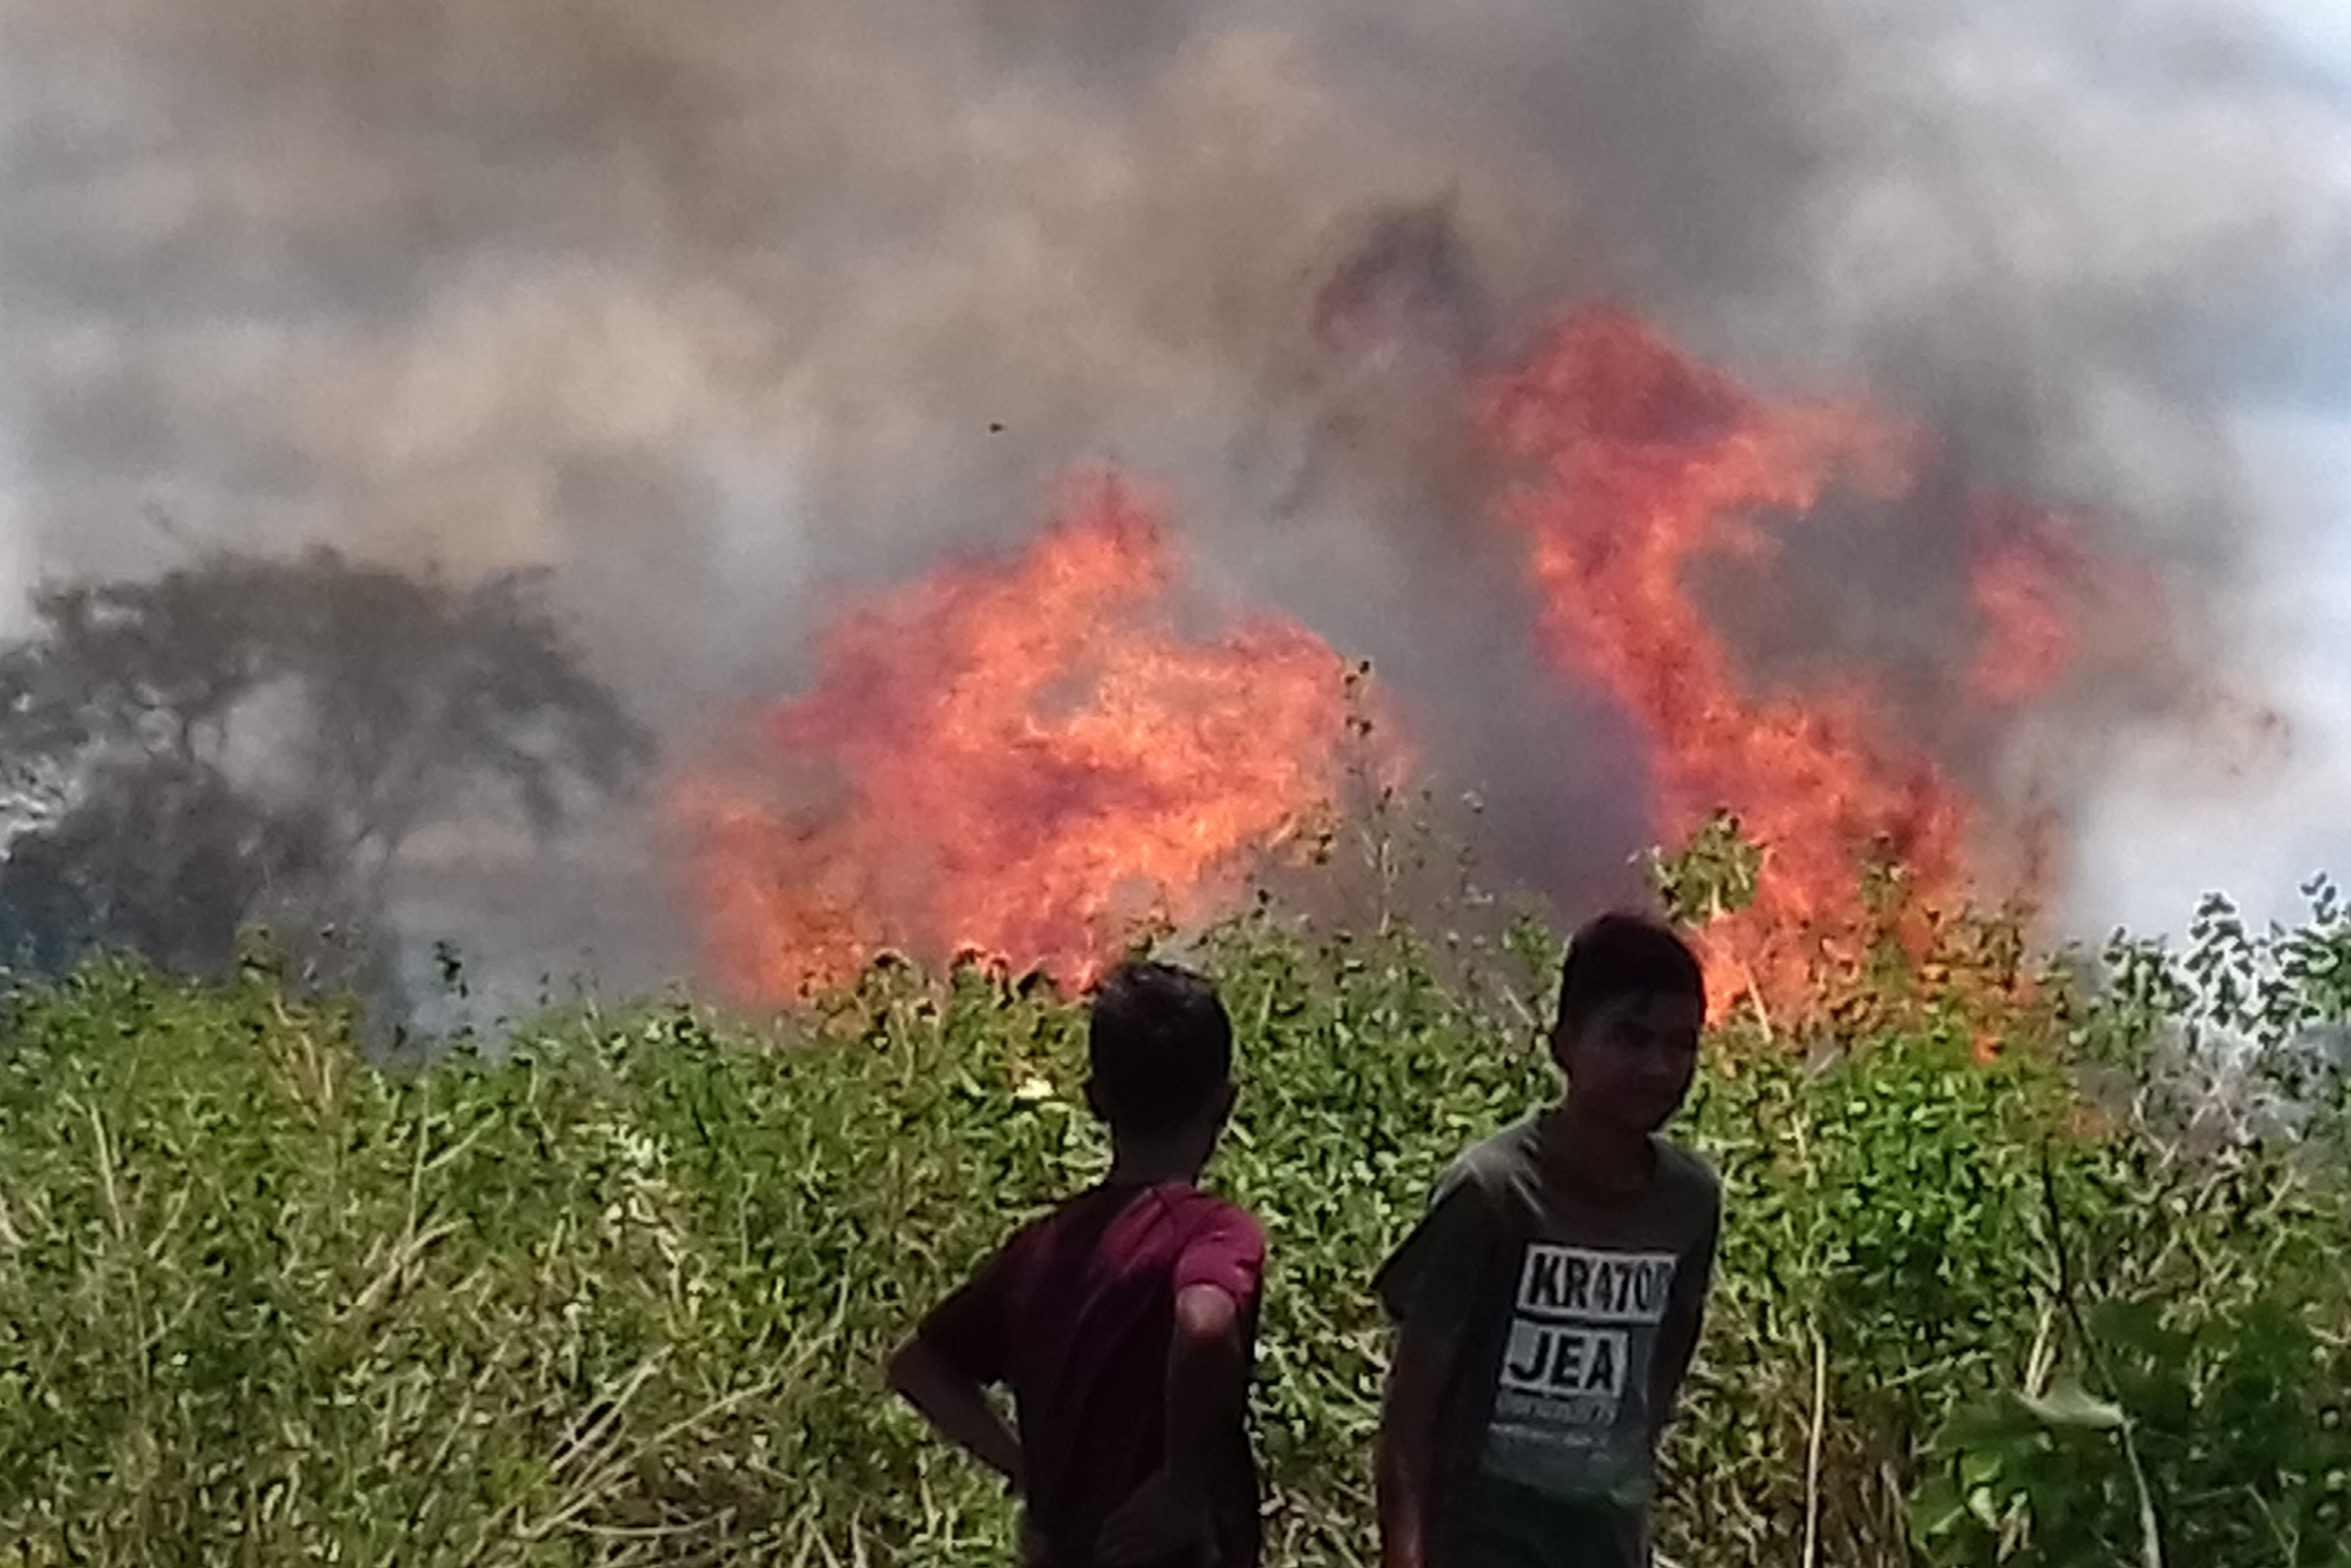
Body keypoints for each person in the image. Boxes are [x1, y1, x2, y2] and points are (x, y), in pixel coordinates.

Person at [886, 958, 1267, 1568]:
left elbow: (919, 1367)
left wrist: (1030, 1475)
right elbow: (1204, 1323)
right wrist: (1181, 1483)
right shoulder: (1214, 1233)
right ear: (1225, 1103)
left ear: (1094, 1101)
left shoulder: (1042, 1249)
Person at [1373, 912, 1721, 1568]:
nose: (1659, 1067)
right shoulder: (1493, 1189)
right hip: (1482, 1541)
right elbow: (1411, 1408)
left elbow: (1665, 1363)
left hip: (1604, 1544)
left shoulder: (1688, 1199)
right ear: (1564, 1044)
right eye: (1630, 1038)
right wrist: (1405, 1549)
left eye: (1681, 1045)